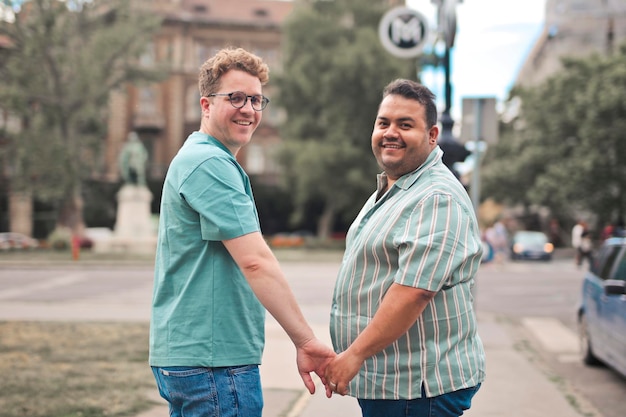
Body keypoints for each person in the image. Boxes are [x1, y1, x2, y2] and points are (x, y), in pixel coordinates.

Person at [149, 47, 335, 417]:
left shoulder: (199, 157)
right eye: (235, 98)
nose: (249, 109)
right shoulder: (209, 162)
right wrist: (307, 340)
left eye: (256, 99)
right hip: (213, 363)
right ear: (205, 105)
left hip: (200, 356)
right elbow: (256, 262)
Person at [324, 79, 485, 417]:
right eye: (384, 123)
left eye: (405, 124)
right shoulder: (396, 188)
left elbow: (413, 292)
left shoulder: (436, 197)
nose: (390, 132)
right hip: (393, 382)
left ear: (432, 136)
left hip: (417, 387)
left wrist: (354, 355)